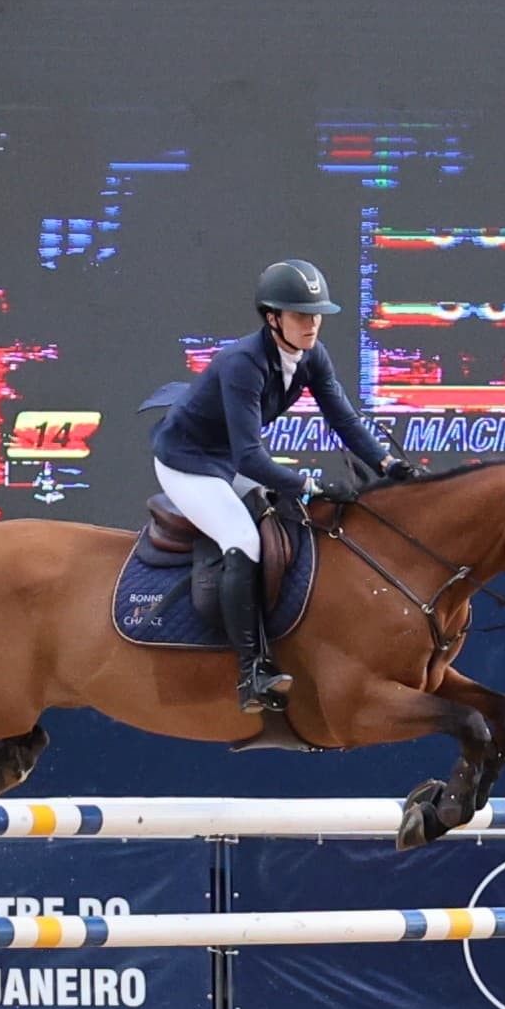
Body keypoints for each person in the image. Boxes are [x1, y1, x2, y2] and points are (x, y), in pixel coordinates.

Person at [152, 258, 415, 712]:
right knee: (242, 538)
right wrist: (310, 485)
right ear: (272, 318)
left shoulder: (312, 355)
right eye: (300, 315)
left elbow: (344, 420)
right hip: (188, 462)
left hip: (224, 458)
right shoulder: (243, 364)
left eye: (316, 314)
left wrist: (388, 463)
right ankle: (252, 672)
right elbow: (249, 457)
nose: (312, 324)